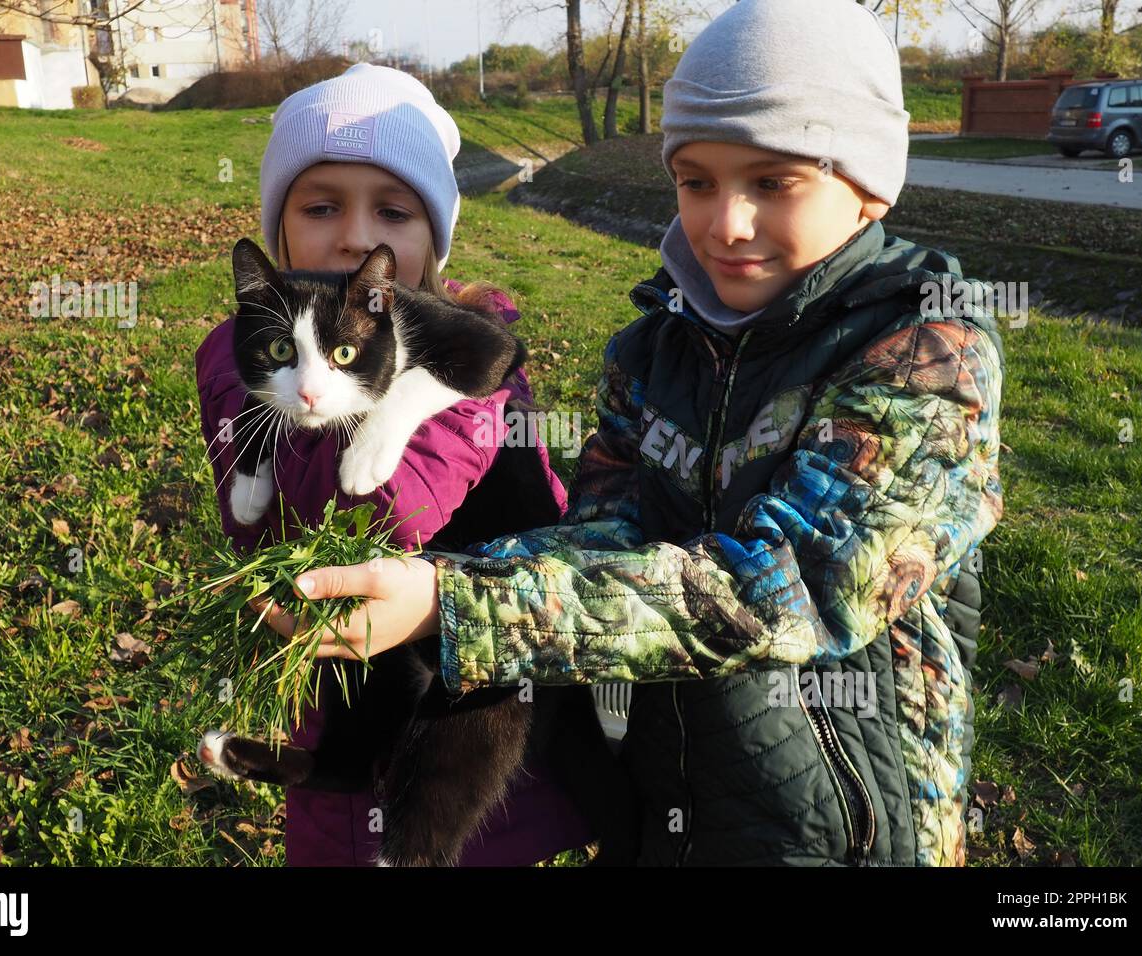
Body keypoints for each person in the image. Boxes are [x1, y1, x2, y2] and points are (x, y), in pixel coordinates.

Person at [259, 0, 1007, 866]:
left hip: (851, 828)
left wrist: (454, 606)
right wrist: (436, 578)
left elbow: (790, 592)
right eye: (697, 180)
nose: (727, 221)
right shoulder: (652, 351)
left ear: (871, 184)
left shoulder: (927, 351)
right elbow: (601, 538)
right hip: (671, 805)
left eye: (773, 182)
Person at [193, 63, 593, 866]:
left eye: (393, 211)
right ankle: (325, 767)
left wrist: (384, 411)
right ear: (277, 236)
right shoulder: (243, 356)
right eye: (320, 206)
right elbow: (254, 521)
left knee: (458, 738)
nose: (354, 235)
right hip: (338, 677)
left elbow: (394, 513)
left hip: (487, 651)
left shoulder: (460, 344)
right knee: (350, 742)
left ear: (433, 237)